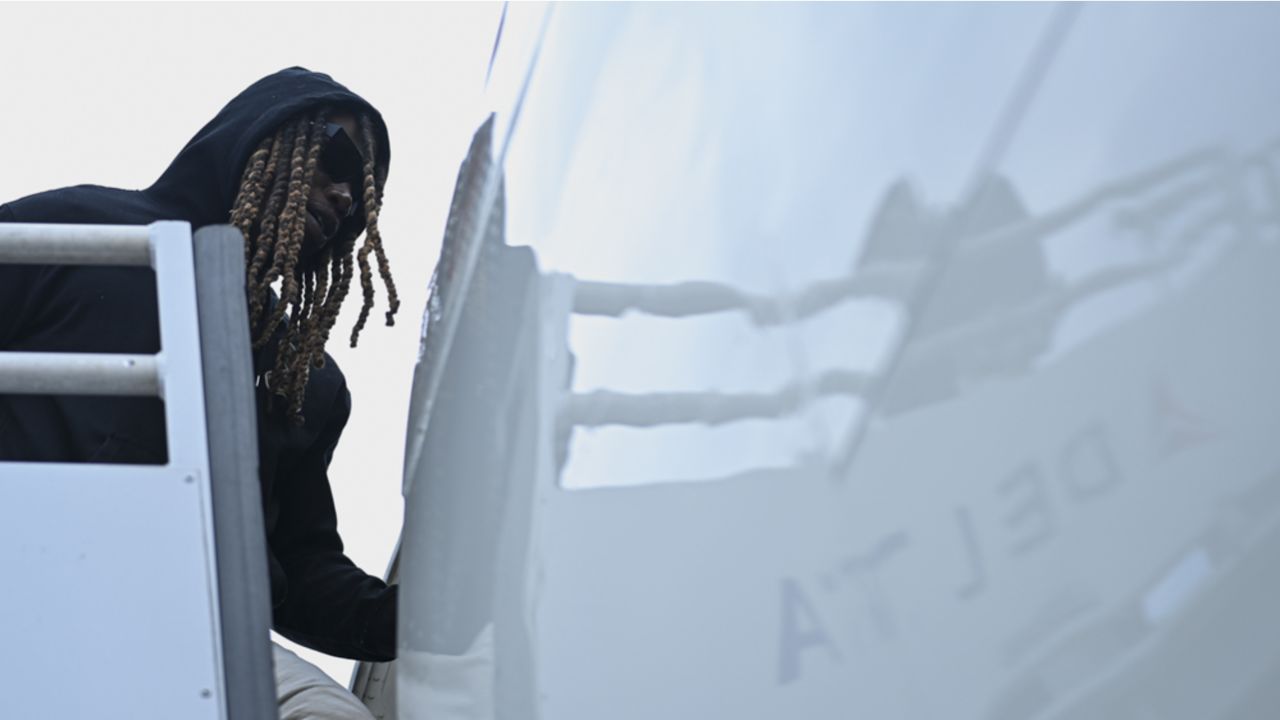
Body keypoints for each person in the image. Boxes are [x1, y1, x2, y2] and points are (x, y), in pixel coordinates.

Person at [0, 67, 399, 719]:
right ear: (263, 136)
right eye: (332, 158)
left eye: (362, 190)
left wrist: (431, 614)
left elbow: (298, 568)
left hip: (199, 632)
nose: (344, 195)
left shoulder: (307, 381)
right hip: (25, 581)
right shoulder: (78, 234)